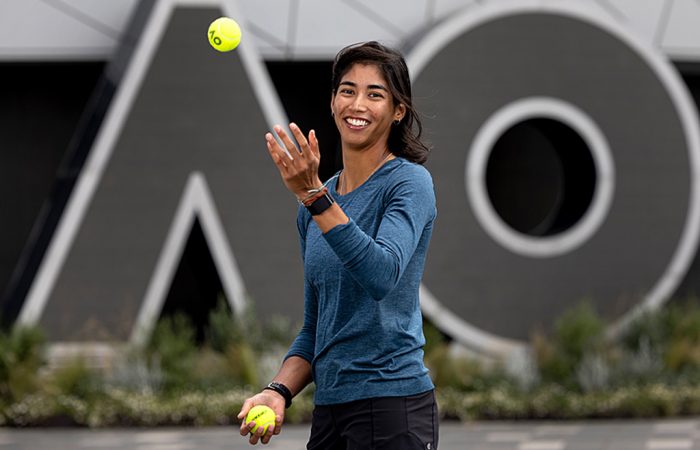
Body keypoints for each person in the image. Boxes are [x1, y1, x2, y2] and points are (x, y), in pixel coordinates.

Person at [237, 41, 439, 449]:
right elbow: (317, 327)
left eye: (375, 94)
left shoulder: (408, 183)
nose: (357, 104)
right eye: (348, 90)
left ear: (398, 111)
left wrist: (315, 197)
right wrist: (278, 390)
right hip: (330, 410)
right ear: (333, 102)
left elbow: (381, 275)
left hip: (392, 404)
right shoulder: (314, 205)